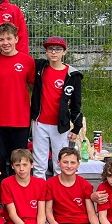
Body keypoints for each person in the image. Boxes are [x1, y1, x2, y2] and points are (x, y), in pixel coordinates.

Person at [30, 36, 83, 180]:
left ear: (64, 52)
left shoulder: (73, 75)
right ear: (46, 52)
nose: (54, 52)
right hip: (39, 122)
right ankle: (40, 196)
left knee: (60, 163)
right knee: (39, 163)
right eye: (50, 49)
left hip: (60, 125)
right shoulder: (40, 67)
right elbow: (19, 57)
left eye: (58, 49)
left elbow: (76, 103)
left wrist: (76, 127)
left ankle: (58, 196)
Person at [0, 22, 34, 177]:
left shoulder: (27, 61)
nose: (5, 43)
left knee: (19, 161)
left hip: (20, 119)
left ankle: (19, 195)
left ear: (16, 39)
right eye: (1, 39)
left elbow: (34, 88)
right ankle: (1, 196)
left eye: (9, 38)